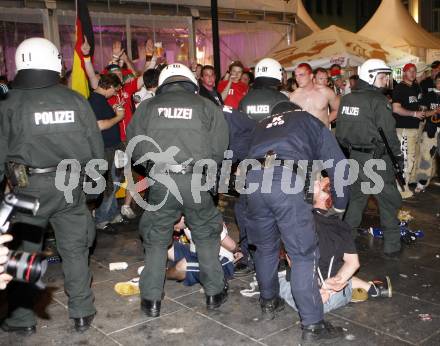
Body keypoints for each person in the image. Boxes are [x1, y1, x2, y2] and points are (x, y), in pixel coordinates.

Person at [0, 37, 104, 334]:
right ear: (55, 63)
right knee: (74, 250)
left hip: (27, 188)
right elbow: (94, 147)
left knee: (23, 254)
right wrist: (95, 188)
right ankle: (82, 311)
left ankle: (22, 318)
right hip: (71, 185)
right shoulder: (74, 100)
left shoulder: (8, 102)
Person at [126, 63, 229, 317]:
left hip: (162, 179)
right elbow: (220, 149)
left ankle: (150, 299)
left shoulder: (147, 107)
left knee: (156, 238)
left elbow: (134, 147)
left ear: (163, 83)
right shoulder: (207, 106)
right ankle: (214, 292)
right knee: (205, 234)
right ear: (190, 83)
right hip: (196, 180)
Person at [245, 99, 349, 342]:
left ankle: (269, 301)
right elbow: (340, 166)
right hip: (287, 179)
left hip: (252, 182)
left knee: (265, 248)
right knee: (302, 253)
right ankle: (313, 324)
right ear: (296, 110)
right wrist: (340, 205)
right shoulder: (306, 119)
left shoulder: (260, 125)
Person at [279, 178, 392, 313]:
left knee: (273, 276)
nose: (315, 181)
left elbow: (296, 265)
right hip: (338, 295)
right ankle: (372, 288)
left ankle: (367, 287)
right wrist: (331, 289)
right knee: (340, 272)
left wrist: (319, 292)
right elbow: (353, 263)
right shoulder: (340, 225)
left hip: (314, 301)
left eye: (318, 183)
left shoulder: (299, 220)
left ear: (324, 196)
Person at [336, 59, 403, 257]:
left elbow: (340, 133)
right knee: (388, 202)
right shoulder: (379, 101)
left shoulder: (347, 99)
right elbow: (389, 133)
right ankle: (392, 244)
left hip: (355, 157)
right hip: (377, 159)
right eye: (381, 77)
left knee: (356, 200)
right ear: (371, 76)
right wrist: (397, 157)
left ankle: (345, 242)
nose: (384, 81)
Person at [233, 58, 289, 276]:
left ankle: (247, 255)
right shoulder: (282, 99)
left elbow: (238, 132)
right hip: (277, 164)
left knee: (246, 210)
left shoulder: (246, 100)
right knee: (278, 211)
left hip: (250, 164)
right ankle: (277, 255)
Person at [89, 74, 126, 231]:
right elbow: (99, 125)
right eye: (115, 90)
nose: (115, 93)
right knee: (111, 184)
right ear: (109, 86)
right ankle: (102, 218)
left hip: (112, 147)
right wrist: (119, 117)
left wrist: (112, 111)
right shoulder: (95, 101)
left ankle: (111, 213)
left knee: (116, 183)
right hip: (107, 149)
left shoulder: (99, 100)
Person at [166, 217, 240, 285]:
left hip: (221, 263)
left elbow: (232, 246)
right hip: (198, 255)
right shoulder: (188, 221)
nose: (177, 230)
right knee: (164, 246)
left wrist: (238, 251)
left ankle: (162, 274)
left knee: (181, 267)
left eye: (174, 226)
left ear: (181, 217)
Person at [392, 63, 426, 198]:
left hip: (415, 127)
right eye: (409, 71)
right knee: (405, 158)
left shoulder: (416, 87)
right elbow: (396, 109)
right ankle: (401, 187)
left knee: (412, 157)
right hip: (404, 128)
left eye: (414, 71)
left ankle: (406, 182)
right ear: (404, 73)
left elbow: (418, 103)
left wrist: (421, 111)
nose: (412, 73)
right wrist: (414, 114)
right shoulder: (399, 88)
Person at [290, 63, 340, 127]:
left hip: (322, 134)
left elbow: (337, 109)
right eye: (296, 76)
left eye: (301, 75)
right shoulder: (293, 97)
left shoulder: (326, 92)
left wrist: (325, 122)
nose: (297, 79)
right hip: (304, 135)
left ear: (311, 76)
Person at [415, 72, 440, 192]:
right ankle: (421, 182)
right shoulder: (428, 95)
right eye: (439, 81)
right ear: (435, 82)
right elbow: (423, 114)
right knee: (425, 157)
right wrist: (435, 111)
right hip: (430, 129)